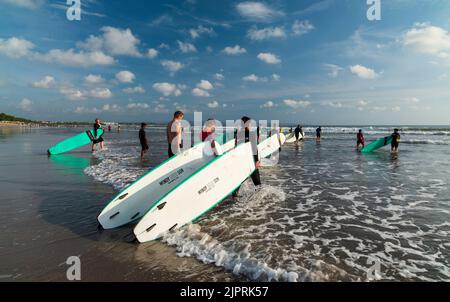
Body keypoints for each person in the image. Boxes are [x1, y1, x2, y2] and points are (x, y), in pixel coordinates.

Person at [232, 116, 262, 200]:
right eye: (249, 123)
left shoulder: (248, 133)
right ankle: (234, 196)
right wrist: (256, 161)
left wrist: (256, 161)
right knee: (241, 179)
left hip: (250, 159)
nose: (250, 125)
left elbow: (254, 148)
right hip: (246, 160)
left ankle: (257, 198)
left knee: (256, 181)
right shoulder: (239, 134)